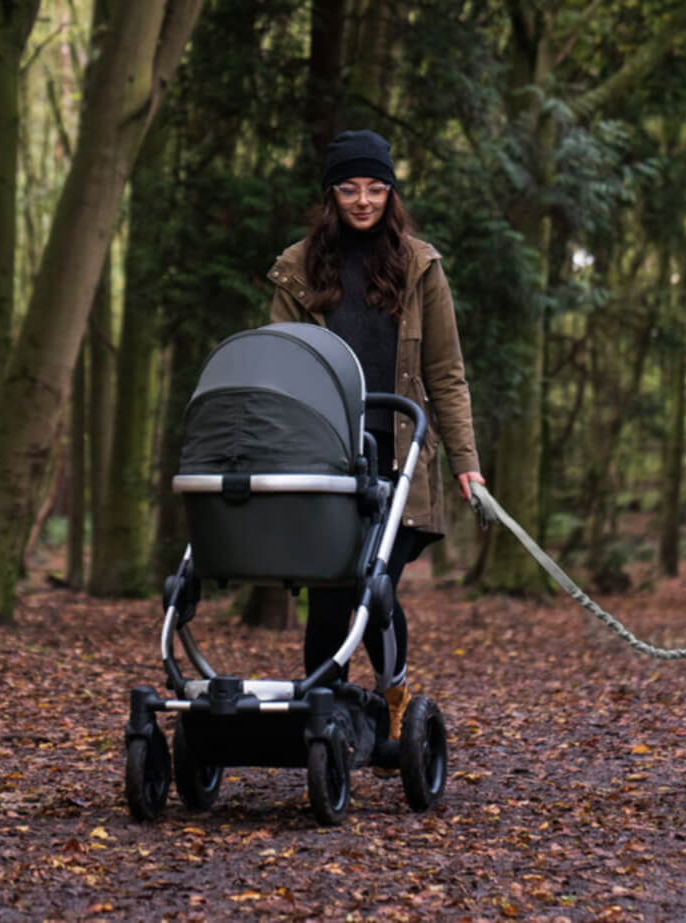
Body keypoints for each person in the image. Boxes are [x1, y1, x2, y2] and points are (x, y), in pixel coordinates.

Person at [266, 129, 484, 750]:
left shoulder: (419, 266)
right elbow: (280, 367)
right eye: (349, 188)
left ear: (391, 193)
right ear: (330, 195)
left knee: (374, 581)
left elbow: (446, 371)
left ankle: (394, 701)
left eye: (375, 188)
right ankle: (321, 707)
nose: (363, 200)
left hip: (397, 457)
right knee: (330, 587)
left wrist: (467, 462)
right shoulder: (297, 267)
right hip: (323, 458)